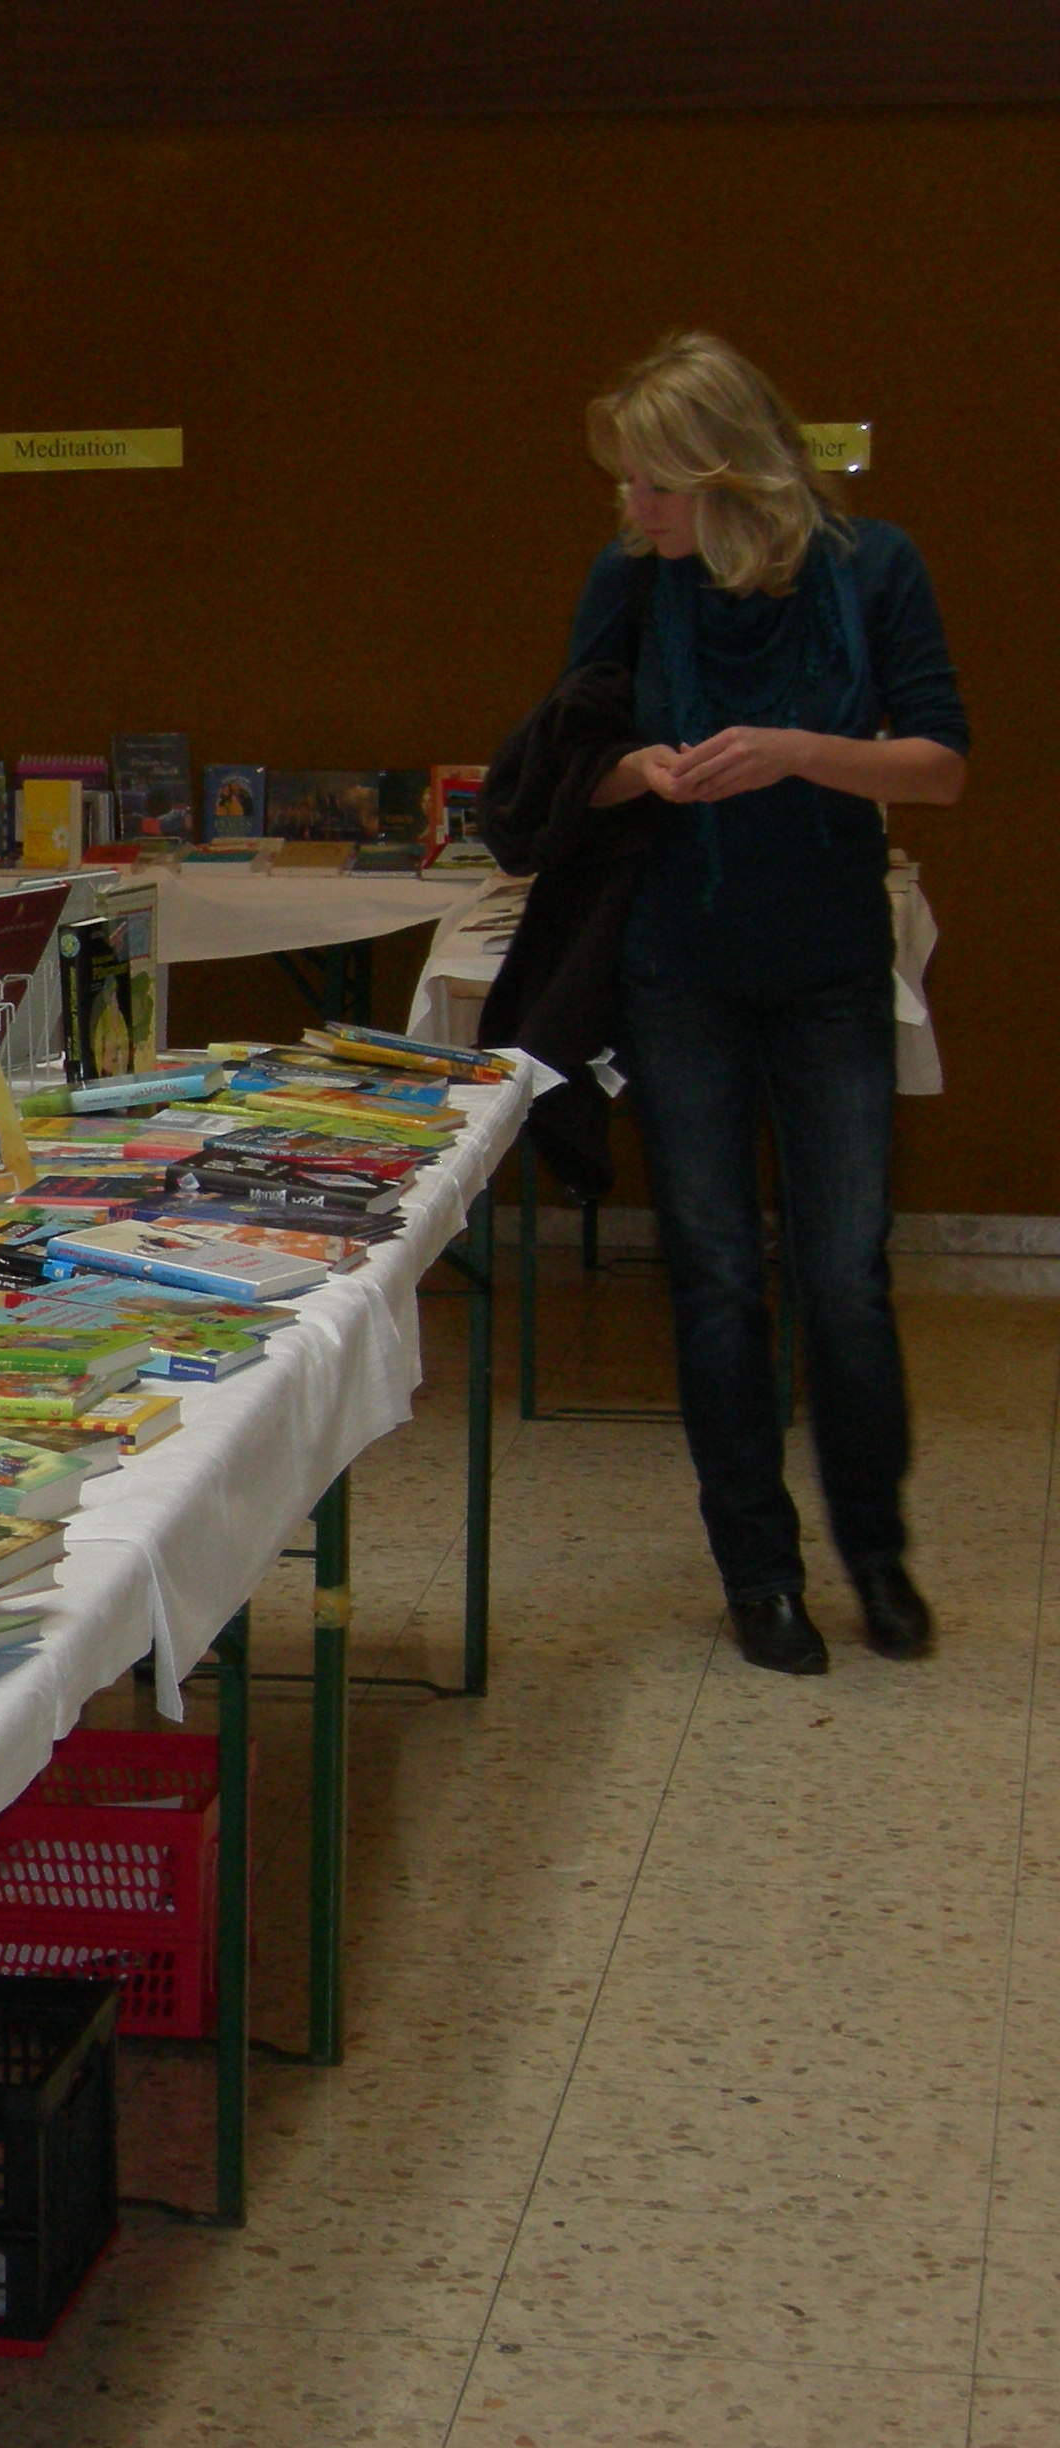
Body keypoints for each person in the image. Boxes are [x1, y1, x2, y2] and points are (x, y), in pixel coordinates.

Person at [571, 331, 969, 1674]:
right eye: (628, 483)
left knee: (845, 1274)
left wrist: (803, 753)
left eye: (655, 484)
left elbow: (942, 766)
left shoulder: (874, 568)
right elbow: (568, 770)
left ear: (727, 475)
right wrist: (643, 773)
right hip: (677, 971)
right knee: (717, 1274)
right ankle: (760, 1574)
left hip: (831, 969)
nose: (633, 507)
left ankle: (877, 1553)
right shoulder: (629, 582)